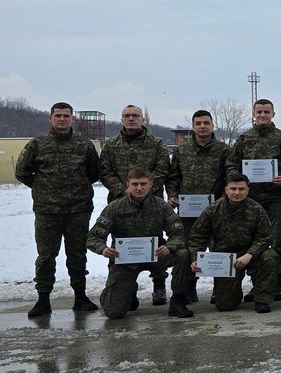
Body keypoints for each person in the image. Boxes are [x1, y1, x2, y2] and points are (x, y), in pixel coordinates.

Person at [16, 102, 100, 318]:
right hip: (47, 211)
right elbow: (22, 172)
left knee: (77, 254)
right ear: (50, 118)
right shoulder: (37, 144)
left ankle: (80, 297)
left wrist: (76, 188)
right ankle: (43, 300)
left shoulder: (85, 145)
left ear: (72, 118)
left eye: (66, 116)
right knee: (46, 256)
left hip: (78, 210)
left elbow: (94, 173)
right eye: (58, 115)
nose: (62, 119)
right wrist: (44, 188)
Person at [86, 168, 192, 319]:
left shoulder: (161, 206)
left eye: (143, 184)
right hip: (125, 260)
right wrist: (103, 249)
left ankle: (178, 300)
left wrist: (169, 247)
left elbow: (178, 234)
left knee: (182, 254)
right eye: (135, 184)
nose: (139, 188)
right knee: (113, 312)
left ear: (151, 184)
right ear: (127, 185)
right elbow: (92, 238)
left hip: (156, 255)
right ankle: (128, 291)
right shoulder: (115, 208)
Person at [227, 98, 281, 301]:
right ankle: (257, 285)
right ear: (253, 114)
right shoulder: (244, 139)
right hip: (250, 202)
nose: (262, 115)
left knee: (278, 242)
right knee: (252, 241)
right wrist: (240, 181)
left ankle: (275, 285)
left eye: (266, 112)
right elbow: (231, 164)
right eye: (259, 112)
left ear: (273, 114)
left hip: (275, 199)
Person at [99, 104, 172, 305]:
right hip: (120, 203)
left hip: (152, 204)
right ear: (121, 119)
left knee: (156, 244)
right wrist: (124, 191)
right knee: (122, 245)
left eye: (135, 115)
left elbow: (162, 169)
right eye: (127, 116)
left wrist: (145, 189)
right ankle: (127, 288)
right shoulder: (111, 145)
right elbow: (105, 171)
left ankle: (159, 286)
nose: (131, 119)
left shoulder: (156, 143)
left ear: (143, 120)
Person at [165, 109, 231, 302]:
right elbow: (174, 177)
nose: (202, 126)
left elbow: (229, 178)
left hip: (217, 211)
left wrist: (224, 200)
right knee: (189, 249)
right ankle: (189, 288)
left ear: (212, 125)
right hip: (188, 212)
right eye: (198, 123)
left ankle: (220, 289)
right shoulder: (182, 150)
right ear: (193, 126)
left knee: (219, 248)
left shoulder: (224, 150)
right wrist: (172, 195)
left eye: (206, 123)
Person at [188, 173, 280, 313]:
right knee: (225, 305)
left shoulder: (256, 209)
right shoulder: (213, 209)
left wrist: (250, 254)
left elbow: (265, 237)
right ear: (226, 189)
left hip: (250, 255)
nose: (237, 192)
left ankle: (262, 299)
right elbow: (197, 236)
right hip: (226, 259)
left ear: (248, 190)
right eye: (233, 188)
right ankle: (234, 292)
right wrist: (195, 258)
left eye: (241, 189)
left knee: (270, 256)